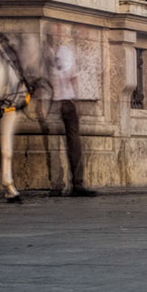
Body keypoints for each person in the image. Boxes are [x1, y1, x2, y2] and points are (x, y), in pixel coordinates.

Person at [47, 32, 95, 196]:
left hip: (51, 103)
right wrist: (77, 100)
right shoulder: (65, 51)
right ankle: (77, 184)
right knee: (74, 143)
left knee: (53, 145)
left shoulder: (45, 55)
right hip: (66, 101)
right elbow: (72, 76)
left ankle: (56, 185)